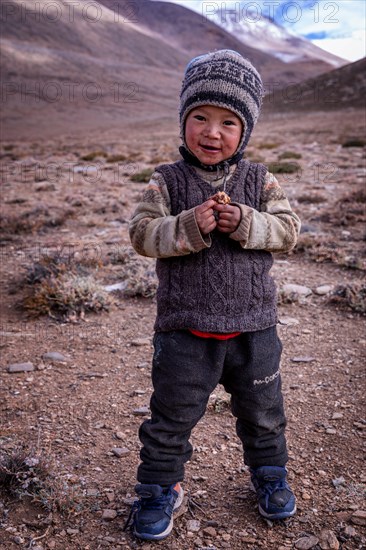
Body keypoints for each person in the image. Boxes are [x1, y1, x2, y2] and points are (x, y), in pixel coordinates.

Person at [128, 49, 301, 541]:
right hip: (185, 329)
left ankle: (270, 475)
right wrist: (185, 226)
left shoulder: (260, 179)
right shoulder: (167, 180)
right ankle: (161, 487)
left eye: (228, 122)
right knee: (172, 415)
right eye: (199, 117)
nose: (212, 132)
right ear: (183, 120)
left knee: (264, 412)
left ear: (245, 130)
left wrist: (248, 221)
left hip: (255, 328)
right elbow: (141, 234)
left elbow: (289, 232)